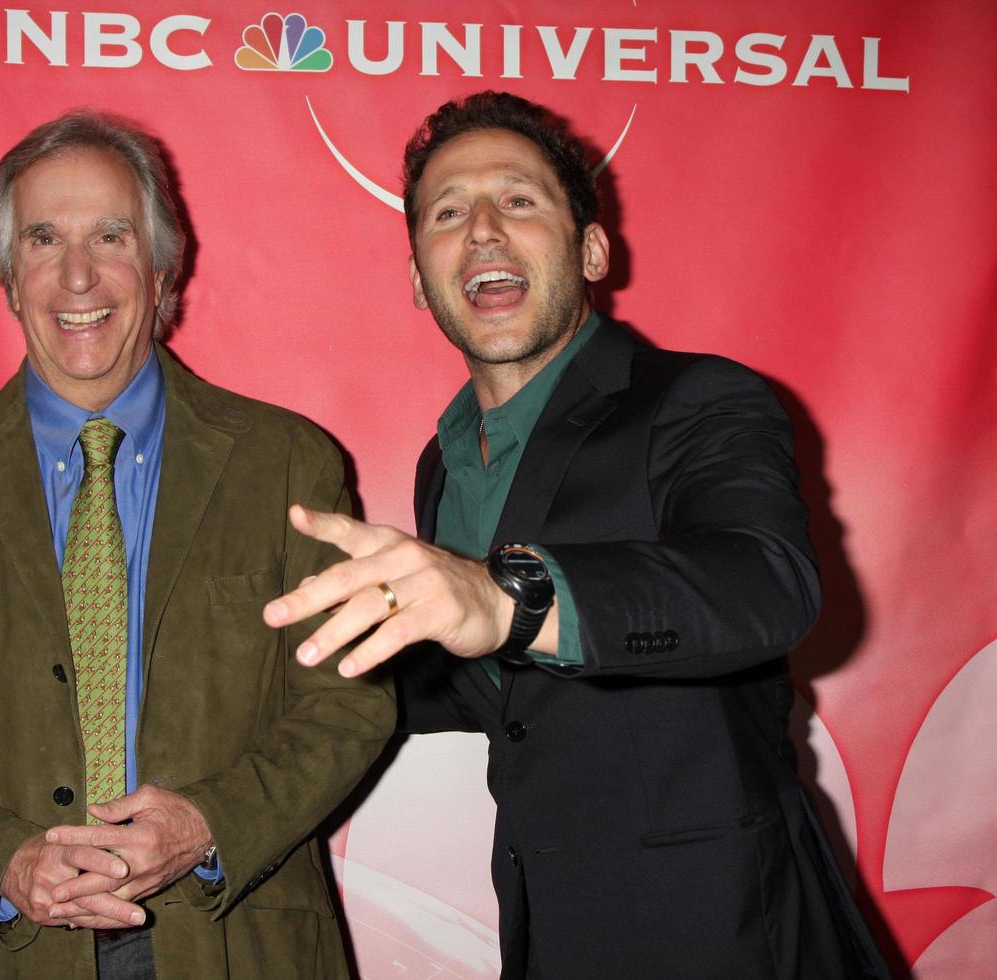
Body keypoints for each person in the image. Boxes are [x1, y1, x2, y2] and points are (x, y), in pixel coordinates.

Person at [264, 91, 891, 978]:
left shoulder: (699, 400)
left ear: (591, 248)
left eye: (517, 200)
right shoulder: (442, 465)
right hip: (548, 931)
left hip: (728, 935)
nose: (481, 229)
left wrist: (503, 596)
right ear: (417, 276)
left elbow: (764, 584)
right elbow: (495, 689)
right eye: (447, 213)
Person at [0, 110, 394, 979]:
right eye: (44, 238)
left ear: (163, 269)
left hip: (237, 937)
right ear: (9, 276)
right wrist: (4, 859)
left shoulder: (286, 464)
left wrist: (205, 825)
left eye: (111, 236)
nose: (77, 275)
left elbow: (349, 704)